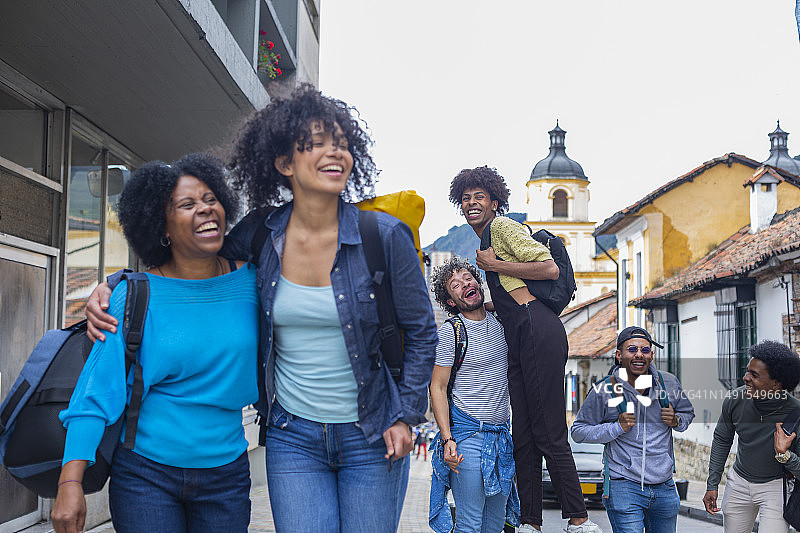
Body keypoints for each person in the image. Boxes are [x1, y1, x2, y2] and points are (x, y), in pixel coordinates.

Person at [85, 84, 438, 532]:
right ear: (284, 163)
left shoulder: (383, 237)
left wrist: (406, 415)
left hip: (373, 432)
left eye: (342, 144)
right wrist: (118, 282)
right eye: (316, 143)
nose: (335, 153)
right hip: (294, 436)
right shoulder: (259, 234)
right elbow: (191, 263)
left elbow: (423, 332)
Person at [51, 154, 259, 533]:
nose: (205, 210)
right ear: (162, 228)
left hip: (226, 473)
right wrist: (70, 482)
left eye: (211, 199)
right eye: (187, 204)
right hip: (146, 474)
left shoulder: (256, 283)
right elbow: (98, 391)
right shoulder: (132, 294)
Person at [448, 166, 602, 533]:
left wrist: (494, 265)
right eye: (466, 198)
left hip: (537, 329)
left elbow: (548, 269)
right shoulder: (483, 240)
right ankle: (529, 521)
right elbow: (510, 290)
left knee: (549, 429)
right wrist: (489, 306)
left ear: (494, 201)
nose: (472, 203)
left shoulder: (501, 228)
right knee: (525, 435)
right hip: (517, 334)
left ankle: (579, 520)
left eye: (479, 197)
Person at [571, 326, 695, 533]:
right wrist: (616, 427)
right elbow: (578, 431)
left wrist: (676, 420)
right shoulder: (604, 390)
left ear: (652, 355)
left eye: (645, 350)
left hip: (664, 487)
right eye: (632, 349)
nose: (639, 354)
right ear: (619, 355)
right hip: (624, 486)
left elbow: (687, 415)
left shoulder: (669, 383)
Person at [428, 256, 519, 533]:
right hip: (468, 438)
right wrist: (447, 440)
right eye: (455, 284)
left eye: (468, 277)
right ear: (451, 301)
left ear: (477, 284)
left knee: (494, 525)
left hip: (502, 437)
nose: (464, 283)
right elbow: (438, 387)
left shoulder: (502, 321)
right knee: (469, 524)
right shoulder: (451, 333)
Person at [703, 341, 800, 533]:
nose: (745, 378)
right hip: (739, 482)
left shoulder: (796, 413)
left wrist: (784, 454)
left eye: (754, 375)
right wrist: (712, 484)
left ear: (776, 383)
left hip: (775, 487)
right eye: (748, 371)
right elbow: (722, 439)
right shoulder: (735, 400)